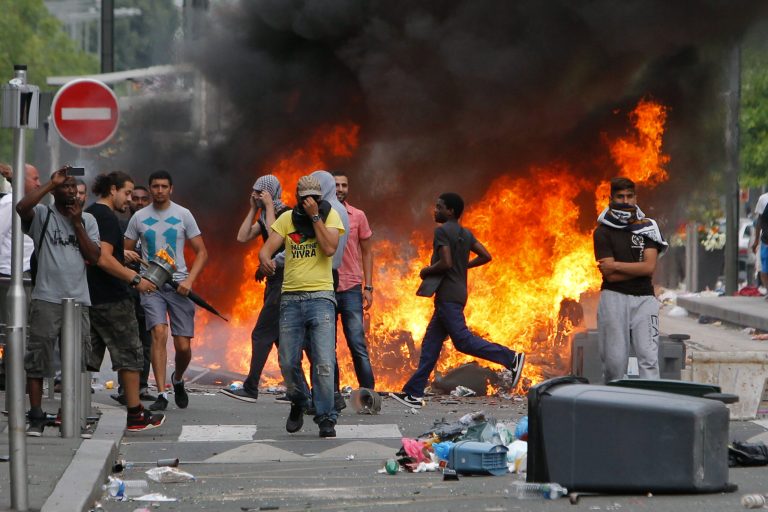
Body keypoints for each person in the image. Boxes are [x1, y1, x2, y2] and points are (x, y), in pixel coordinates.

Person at [390, 192, 526, 408]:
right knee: (431, 344)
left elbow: (445, 262)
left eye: (439, 207)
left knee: (462, 341)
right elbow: (485, 255)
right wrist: (463, 267)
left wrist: (426, 270)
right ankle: (413, 392)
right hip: (457, 293)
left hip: (448, 295)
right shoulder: (465, 233)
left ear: (450, 211)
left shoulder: (442, 231)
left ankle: (511, 358)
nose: (435, 210)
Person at [16, 166, 101, 436]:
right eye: (65, 186)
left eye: (73, 187)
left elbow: (94, 257)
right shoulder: (43, 215)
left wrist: (77, 224)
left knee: (76, 360)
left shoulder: (88, 220)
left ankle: (70, 413)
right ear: (55, 191)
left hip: (78, 301)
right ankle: (37, 415)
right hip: (46, 298)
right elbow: (22, 207)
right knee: (38, 358)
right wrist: (51, 183)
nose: (71, 190)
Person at [259, 174, 345, 438]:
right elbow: (267, 249)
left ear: (320, 198)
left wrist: (315, 216)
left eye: (315, 198)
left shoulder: (330, 216)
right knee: (287, 360)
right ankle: (298, 399)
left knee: (323, 361)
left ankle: (326, 418)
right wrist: (265, 260)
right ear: (297, 198)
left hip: (321, 298)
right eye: (305, 198)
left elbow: (330, 248)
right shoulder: (287, 220)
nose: (309, 202)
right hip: (291, 299)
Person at [85, 172, 165, 431]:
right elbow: (103, 258)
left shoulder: (90, 213)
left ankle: (70, 411)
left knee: (86, 358)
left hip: (90, 296)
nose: (130, 200)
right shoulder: (108, 216)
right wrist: (134, 279)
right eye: (127, 193)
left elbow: (96, 250)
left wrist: (123, 252)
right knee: (131, 356)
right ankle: (135, 414)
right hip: (112, 297)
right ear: (112, 190)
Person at [124, 170, 208, 412]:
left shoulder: (184, 215)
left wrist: (190, 280)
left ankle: (178, 379)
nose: (159, 190)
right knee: (158, 333)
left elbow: (202, 252)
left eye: (163, 186)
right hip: (152, 286)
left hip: (180, 285)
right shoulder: (139, 217)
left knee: (183, 346)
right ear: (150, 189)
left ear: (171, 189)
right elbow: (124, 250)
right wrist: (132, 264)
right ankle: (161, 393)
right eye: (155, 186)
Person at [220, 174, 291, 402]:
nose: (256, 195)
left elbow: (274, 238)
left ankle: (251, 387)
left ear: (271, 192)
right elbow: (242, 237)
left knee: (261, 334)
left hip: (284, 283)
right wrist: (253, 209)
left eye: (260, 192)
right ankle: (298, 389)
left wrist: (269, 205)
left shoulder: (286, 213)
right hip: (273, 284)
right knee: (280, 339)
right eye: (255, 191)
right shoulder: (263, 216)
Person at [593, 177, 667, 383]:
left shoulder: (648, 228)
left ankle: (651, 409)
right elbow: (610, 276)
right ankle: (614, 408)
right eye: (620, 196)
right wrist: (635, 269)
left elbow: (649, 267)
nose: (625, 201)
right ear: (611, 198)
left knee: (649, 358)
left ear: (635, 197)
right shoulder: (602, 231)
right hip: (613, 298)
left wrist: (616, 265)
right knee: (614, 363)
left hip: (645, 299)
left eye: (629, 196)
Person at [112, 184, 155, 404]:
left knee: (146, 342)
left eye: (143, 199)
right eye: (135, 198)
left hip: (148, 291)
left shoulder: (153, 227)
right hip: (125, 291)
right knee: (127, 342)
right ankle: (124, 389)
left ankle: (143, 386)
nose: (138, 202)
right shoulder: (120, 226)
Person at [332, 171, 375, 390]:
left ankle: (368, 394)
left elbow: (367, 252)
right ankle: (332, 395)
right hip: (325, 288)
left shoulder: (358, 216)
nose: (340, 189)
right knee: (327, 347)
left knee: (357, 344)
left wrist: (368, 287)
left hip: (350, 288)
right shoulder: (320, 215)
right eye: (336, 185)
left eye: (344, 185)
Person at [752, 191, 768, 291]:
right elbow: (759, 221)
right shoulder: (764, 199)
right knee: (764, 270)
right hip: (766, 241)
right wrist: (756, 241)